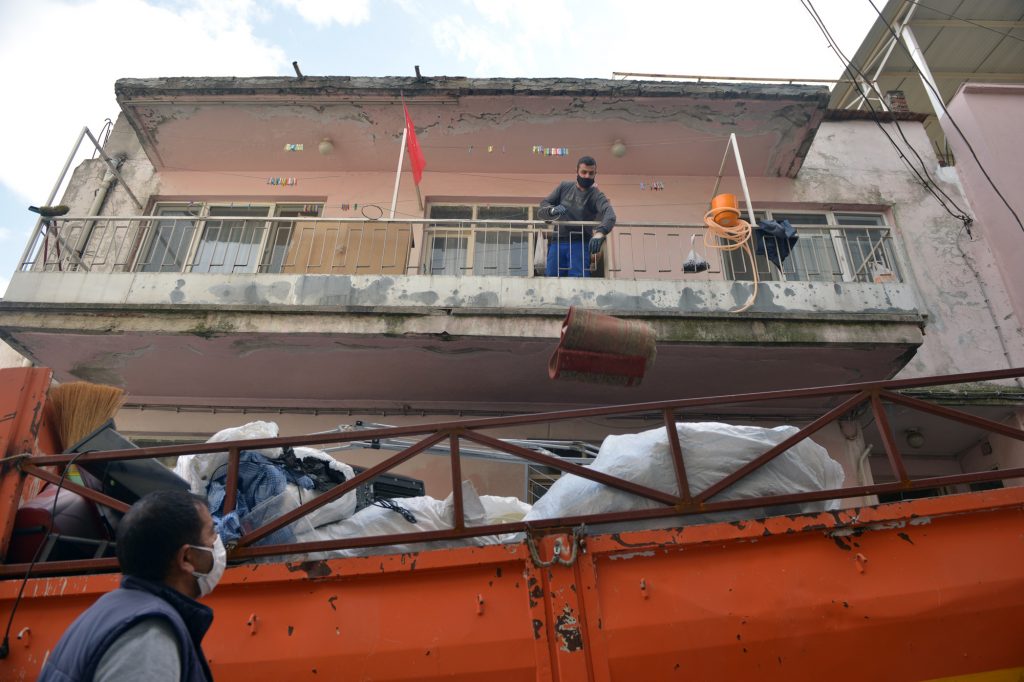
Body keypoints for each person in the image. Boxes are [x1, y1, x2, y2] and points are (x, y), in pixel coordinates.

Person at [39, 490, 224, 682]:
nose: (218, 542)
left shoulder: (112, 607)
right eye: (212, 533)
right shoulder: (149, 637)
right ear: (186, 558)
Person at [538, 155, 617, 277]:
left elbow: (610, 215)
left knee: (578, 281)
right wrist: (552, 210)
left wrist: (600, 233)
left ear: (596, 173)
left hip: (580, 244)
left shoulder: (596, 195)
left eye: (591, 173)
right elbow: (543, 205)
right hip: (558, 241)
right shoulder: (564, 187)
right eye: (583, 172)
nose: (587, 176)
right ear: (576, 171)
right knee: (552, 280)